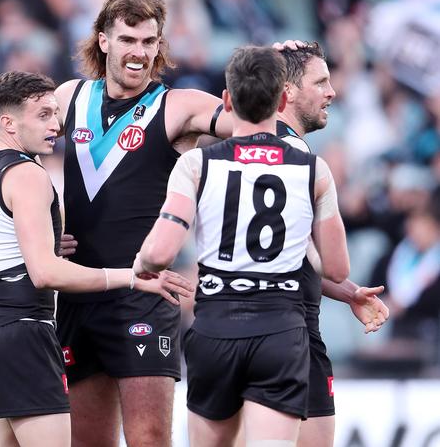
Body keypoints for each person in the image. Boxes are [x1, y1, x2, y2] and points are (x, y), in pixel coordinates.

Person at [0, 0, 235, 447]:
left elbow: (253, 127)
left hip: (141, 294)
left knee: (149, 438)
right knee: (88, 441)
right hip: (75, 292)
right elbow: (18, 117)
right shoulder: (71, 95)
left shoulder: (181, 104)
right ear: (103, 40)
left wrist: (279, 88)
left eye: (150, 41)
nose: (140, 52)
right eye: (129, 39)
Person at [0, 64, 193, 446]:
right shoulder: (27, 175)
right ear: (7, 122)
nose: (56, 125)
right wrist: (129, 276)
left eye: (55, 113)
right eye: (43, 115)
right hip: (24, 330)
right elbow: (44, 272)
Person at [135, 45, 350, 446]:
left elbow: (160, 253)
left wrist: (140, 262)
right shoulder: (312, 169)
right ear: (284, 98)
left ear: (227, 100)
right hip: (280, 330)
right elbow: (336, 269)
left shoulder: (199, 163)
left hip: (216, 325)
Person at [272, 41, 390, 447]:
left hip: (226, 331)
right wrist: (344, 283)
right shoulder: (303, 160)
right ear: (287, 91)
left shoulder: (227, 151)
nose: (332, 91)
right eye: (320, 81)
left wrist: (348, 293)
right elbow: (334, 264)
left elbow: (287, 256)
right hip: (291, 333)